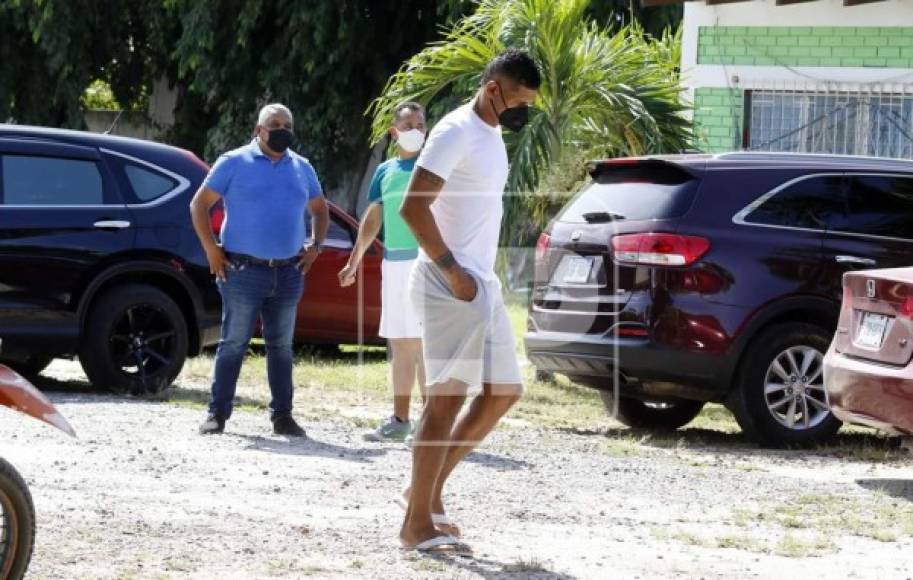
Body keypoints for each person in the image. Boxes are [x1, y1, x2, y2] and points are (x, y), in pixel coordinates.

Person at [398, 49, 541, 552]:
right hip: (450, 281)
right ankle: (415, 526)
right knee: (444, 402)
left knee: (503, 390)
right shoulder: (456, 130)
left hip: (481, 282)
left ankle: (426, 496)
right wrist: (452, 271)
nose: (523, 112)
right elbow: (413, 208)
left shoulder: (492, 132)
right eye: (519, 101)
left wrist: (473, 276)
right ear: (493, 90)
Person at [189, 103, 329, 437]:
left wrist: (316, 246)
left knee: (281, 346)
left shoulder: (302, 167)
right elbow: (199, 204)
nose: (281, 130)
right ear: (258, 130)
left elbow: (320, 209)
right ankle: (217, 414)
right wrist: (211, 249)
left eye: (287, 125)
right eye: (274, 124)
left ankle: (283, 416)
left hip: (288, 271)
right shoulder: (234, 162)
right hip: (242, 270)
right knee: (234, 342)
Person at [338, 102, 428, 442]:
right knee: (401, 344)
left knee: (424, 346)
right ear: (394, 132)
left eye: (420, 124)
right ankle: (400, 421)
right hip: (394, 264)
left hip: (427, 264)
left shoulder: (433, 169)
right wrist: (354, 260)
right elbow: (373, 218)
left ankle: (431, 423)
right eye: (408, 125)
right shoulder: (386, 171)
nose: (415, 130)